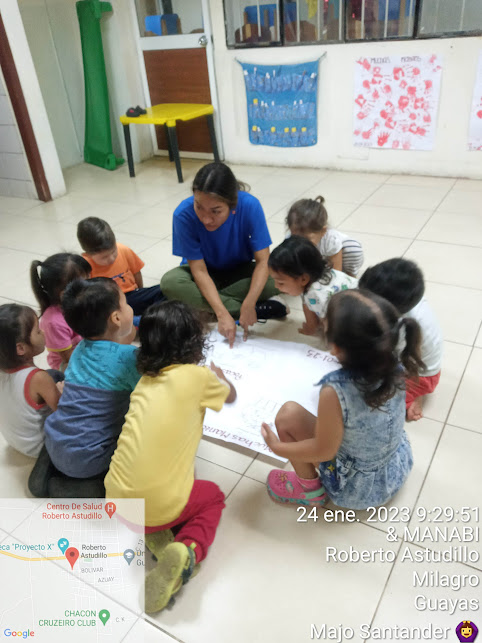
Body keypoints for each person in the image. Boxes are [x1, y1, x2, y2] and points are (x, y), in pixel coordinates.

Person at [105, 301, 236, 613]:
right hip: (157, 504)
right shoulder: (199, 377)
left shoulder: (143, 382)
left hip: (117, 501)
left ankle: (157, 536)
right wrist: (219, 376)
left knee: (157, 483)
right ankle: (188, 551)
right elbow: (230, 396)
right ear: (195, 343)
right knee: (213, 497)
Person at [261, 289, 424, 510]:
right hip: (396, 467)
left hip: (356, 489)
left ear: (335, 347)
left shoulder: (335, 390)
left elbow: (324, 450)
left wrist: (279, 448)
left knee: (288, 416)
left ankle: (310, 492)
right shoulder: (393, 362)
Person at [161, 162, 287, 348]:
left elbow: (263, 261)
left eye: (216, 211)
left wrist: (249, 302)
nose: (206, 218)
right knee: (170, 283)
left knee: (280, 276)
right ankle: (243, 308)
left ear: (232, 205)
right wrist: (222, 314)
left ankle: (206, 306)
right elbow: (199, 271)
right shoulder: (183, 214)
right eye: (199, 207)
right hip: (203, 273)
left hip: (239, 269)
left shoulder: (249, 206)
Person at [44, 278, 140, 485]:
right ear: (116, 318)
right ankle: (90, 486)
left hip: (55, 441)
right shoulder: (130, 357)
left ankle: (55, 476)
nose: (130, 308)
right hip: (93, 458)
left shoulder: (78, 349)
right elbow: (153, 392)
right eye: (126, 303)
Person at [359, 258, 443, 422]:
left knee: (377, 400)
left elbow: (387, 361)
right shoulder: (409, 298)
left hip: (420, 376)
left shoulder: (403, 329)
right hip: (417, 360)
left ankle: (413, 398)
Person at [0, 303, 62, 458]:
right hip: (40, 447)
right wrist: (61, 392)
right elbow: (63, 411)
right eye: (38, 331)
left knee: (53, 374)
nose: (43, 332)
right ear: (20, 348)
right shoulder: (38, 378)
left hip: (17, 442)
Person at [268, 235, 357, 337]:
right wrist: (312, 327)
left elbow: (330, 324)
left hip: (360, 317)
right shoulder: (321, 274)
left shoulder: (317, 294)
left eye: (281, 283)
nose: (276, 286)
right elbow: (307, 304)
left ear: (303, 279)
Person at [77, 216, 165, 316]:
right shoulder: (84, 267)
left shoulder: (123, 250)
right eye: (104, 257)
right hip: (108, 306)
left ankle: (141, 318)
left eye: (114, 251)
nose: (111, 258)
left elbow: (136, 272)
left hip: (131, 296)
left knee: (164, 290)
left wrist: (140, 291)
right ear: (88, 254)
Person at [30, 253, 91, 370]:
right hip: (69, 363)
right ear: (65, 293)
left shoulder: (80, 300)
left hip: (86, 347)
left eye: (89, 278)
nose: (91, 285)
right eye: (85, 283)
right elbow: (68, 358)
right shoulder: (54, 323)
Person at [286, 196, 364, 276]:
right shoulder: (289, 238)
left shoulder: (330, 241)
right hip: (323, 259)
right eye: (296, 237)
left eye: (307, 239)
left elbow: (337, 274)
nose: (300, 243)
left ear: (323, 231)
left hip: (345, 257)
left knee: (353, 251)